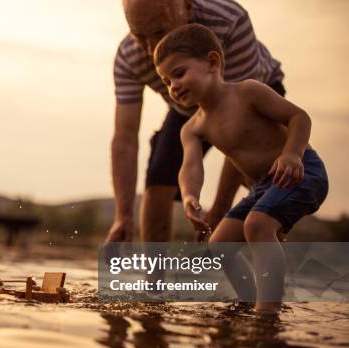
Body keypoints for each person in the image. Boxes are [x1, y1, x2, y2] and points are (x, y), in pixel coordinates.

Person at [153, 23, 328, 312]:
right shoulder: (193, 127)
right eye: (166, 81)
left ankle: (267, 311)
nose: (173, 86)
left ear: (212, 62)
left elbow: (299, 117)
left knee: (257, 225)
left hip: (301, 171)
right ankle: (247, 302)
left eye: (179, 73)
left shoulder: (247, 92)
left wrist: (292, 154)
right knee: (220, 244)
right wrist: (188, 196)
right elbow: (191, 167)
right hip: (264, 187)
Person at [107, 0, 285, 243]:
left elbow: (239, 124)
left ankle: (270, 255)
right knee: (157, 182)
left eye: (159, 31)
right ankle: (154, 281)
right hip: (188, 108)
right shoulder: (129, 56)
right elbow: (125, 139)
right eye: (139, 36)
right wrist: (123, 215)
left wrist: (218, 211)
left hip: (252, 95)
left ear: (187, 7)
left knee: (264, 181)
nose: (150, 50)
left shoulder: (229, 21)